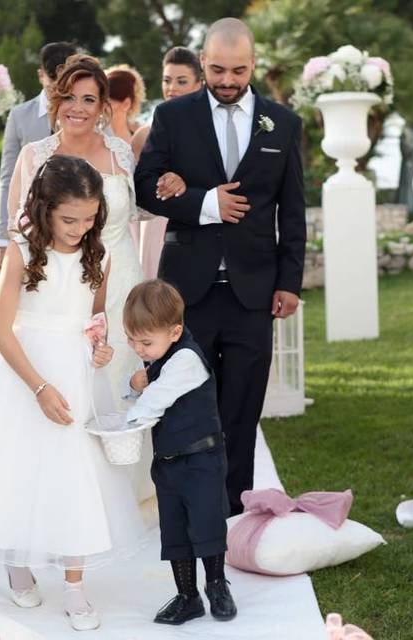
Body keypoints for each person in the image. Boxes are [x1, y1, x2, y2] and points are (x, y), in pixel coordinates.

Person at [0, 155, 145, 632]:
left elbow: (94, 320)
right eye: (68, 219)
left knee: (76, 474)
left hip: (75, 375)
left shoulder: (100, 255)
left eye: (88, 218)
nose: (79, 229)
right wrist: (38, 386)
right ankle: (17, 560)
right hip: (24, 374)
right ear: (43, 209)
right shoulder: (19, 251)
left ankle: (74, 586)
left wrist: (100, 348)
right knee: (22, 469)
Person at [135, 18, 306, 516]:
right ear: (201, 61)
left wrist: (289, 281)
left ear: (253, 63)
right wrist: (204, 203)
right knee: (185, 405)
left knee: (241, 411)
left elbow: (292, 209)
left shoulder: (283, 123)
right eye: (216, 69)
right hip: (187, 294)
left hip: (255, 293)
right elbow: (146, 187)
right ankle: (187, 511)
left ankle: (234, 520)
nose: (227, 81)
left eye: (237, 70)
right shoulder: (172, 116)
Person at [5, 54, 182, 502]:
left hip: (122, 283)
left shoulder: (120, 153)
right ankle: (74, 497)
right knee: (76, 388)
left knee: (124, 386)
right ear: (55, 100)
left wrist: (173, 183)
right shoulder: (36, 156)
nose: (78, 107)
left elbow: (143, 206)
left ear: (105, 105)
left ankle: (131, 499)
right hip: (62, 290)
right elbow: (18, 227)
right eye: (69, 97)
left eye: (89, 98)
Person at [124, 279, 236, 626]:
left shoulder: (186, 359)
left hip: (201, 459)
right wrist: (134, 384)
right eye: (132, 340)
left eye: (145, 342)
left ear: (175, 331)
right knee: (174, 529)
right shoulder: (157, 359)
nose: (138, 348)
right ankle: (188, 596)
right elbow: (142, 393)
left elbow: (155, 402)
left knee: (206, 523)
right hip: (169, 462)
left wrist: (124, 424)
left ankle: (216, 585)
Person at [0, 41, 78, 271]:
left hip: (79, 228)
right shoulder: (19, 117)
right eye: (53, 87)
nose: (58, 94)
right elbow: (7, 179)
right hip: (32, 229)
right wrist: (1, 241)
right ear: (41, 76)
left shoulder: (87, 114)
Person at [131, 47, 204, 279]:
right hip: (156, 227)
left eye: (181, 81)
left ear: (199, 83)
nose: (172, 88)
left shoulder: (208, 133)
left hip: (199, 226)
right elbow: (136, 191)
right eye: (167, 80)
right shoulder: (143, 136)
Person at [105, 64, 145, 144]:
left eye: (108, 102)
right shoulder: (92, 133)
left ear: (126, 104)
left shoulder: (142, 134)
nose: (101, 105)